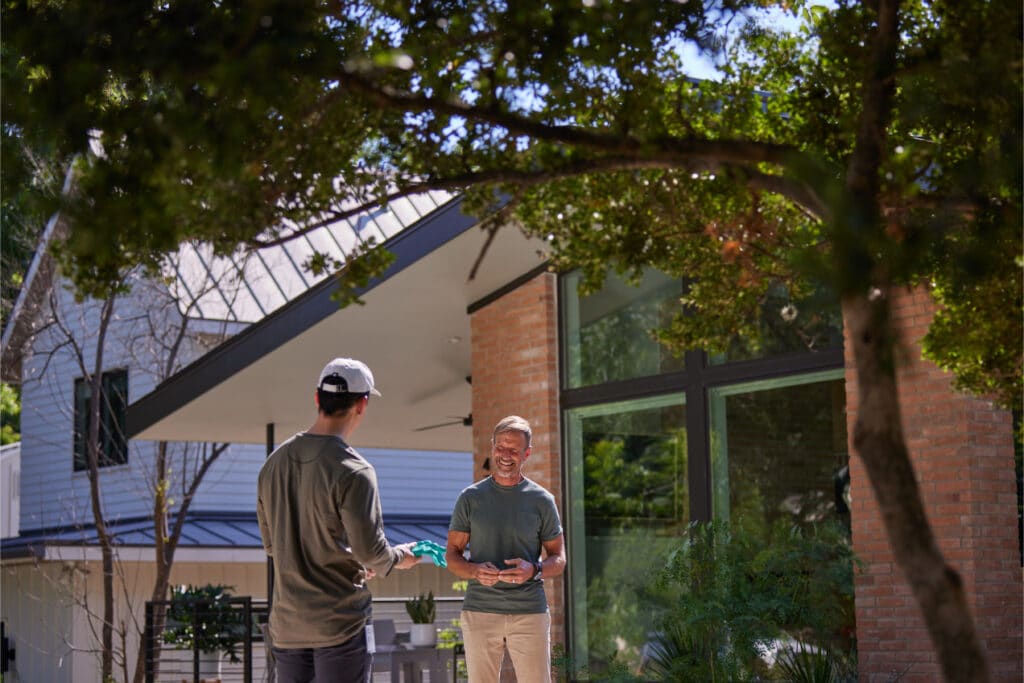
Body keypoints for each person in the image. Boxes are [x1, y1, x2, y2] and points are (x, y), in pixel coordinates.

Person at [257, 357, 420, 683]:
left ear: (317, 398)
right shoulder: (355, 471)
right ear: (362, 404)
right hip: (340, 626)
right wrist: (403, 556)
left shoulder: (272, 466)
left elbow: (273, 546)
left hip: (287, 628)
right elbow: (371, 553)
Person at [445, 415, 567, 683]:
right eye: (501, 447)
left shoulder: (541, 501)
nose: (506, 455)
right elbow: (452, 555)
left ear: (527, 453)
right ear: (492, 447)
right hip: (480, 610)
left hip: (529, 612)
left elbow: (559, 558)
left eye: (514, 449)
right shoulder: (470, 498)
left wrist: (533, 569)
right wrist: (474, 570)